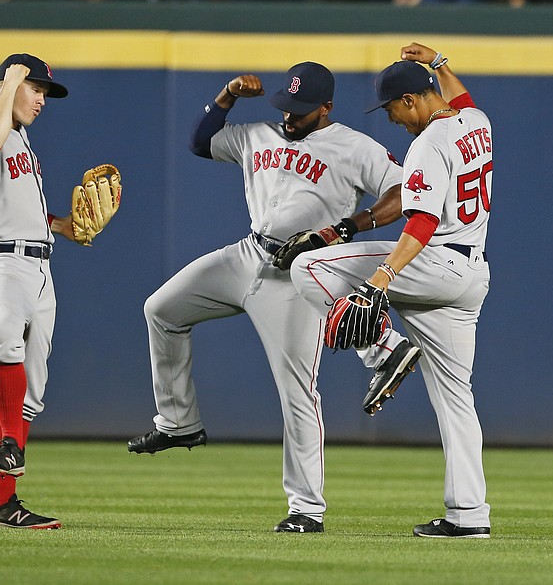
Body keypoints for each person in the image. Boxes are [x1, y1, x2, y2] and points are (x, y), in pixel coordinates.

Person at [127, 61, 404, 533]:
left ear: (326, 108)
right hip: (247, 254)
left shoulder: (356, 147)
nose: (290, 118)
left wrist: (350, 226)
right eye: (286, 107)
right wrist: (227, 95)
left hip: (298, 277)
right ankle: (178, 422)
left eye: (300, 111)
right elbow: (200, 142)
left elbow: (402, 193)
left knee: (297, 390)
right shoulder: (257, 134)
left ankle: (306, 510)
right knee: (162, 309)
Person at [290, 43, 493, 538]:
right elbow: (460, 98)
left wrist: (381, 279)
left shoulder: (427, 144)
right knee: (456, 399)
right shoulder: (476, 122)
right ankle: (469, 517)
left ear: (409, 99)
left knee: (308, 267)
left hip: (435, 260)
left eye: (393, 110)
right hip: (472, 275)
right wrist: (440, 60)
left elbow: (420, 220)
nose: (394, 121)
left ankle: (385, 351)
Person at [0, 53, 75, 529]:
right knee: (2, 334)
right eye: (35, 88)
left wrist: (61, 226)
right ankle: (8, 449)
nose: (41, 100)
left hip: (40, 266)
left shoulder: (24, 143)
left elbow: (18, 210)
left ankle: (1, 505)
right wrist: (10, 83)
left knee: (29, 399)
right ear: (9, 84)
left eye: (45, 93)